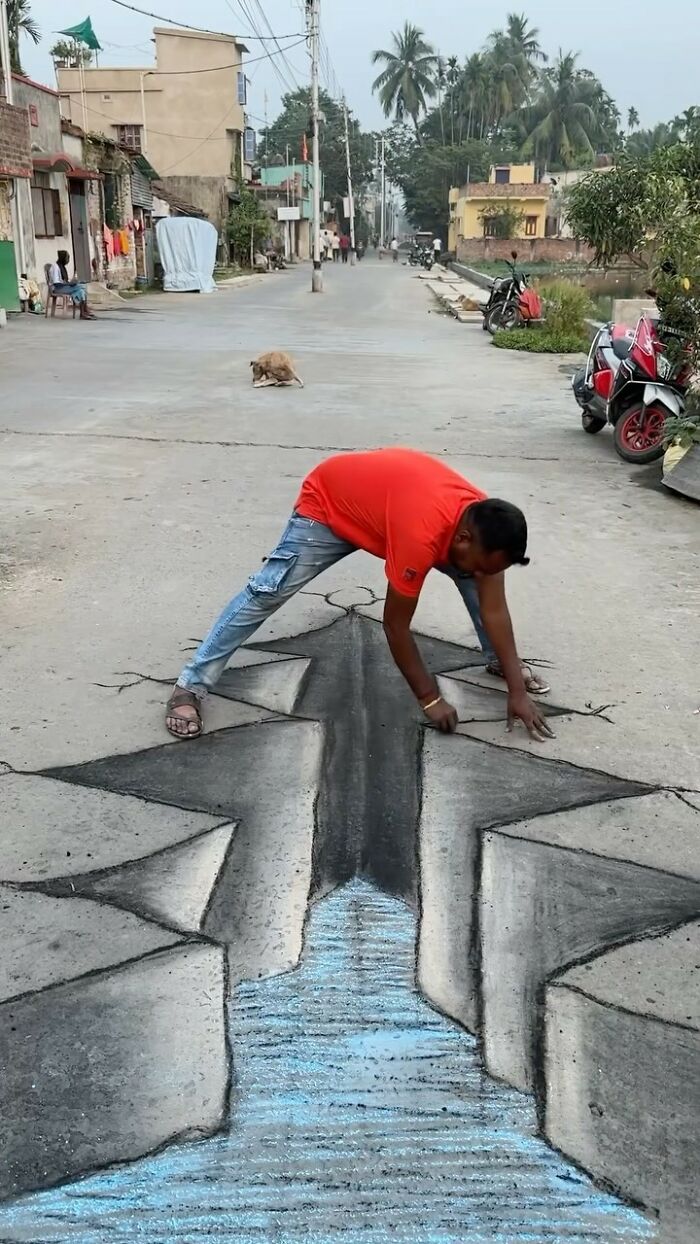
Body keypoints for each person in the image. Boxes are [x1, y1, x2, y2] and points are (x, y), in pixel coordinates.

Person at [165, 448, 553, 742]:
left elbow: (495, 610)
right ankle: (192, 683)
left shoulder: (487, 528)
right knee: (268, 591)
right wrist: (431, 699)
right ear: (463, 538)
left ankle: (500, 662)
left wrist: (517, 694)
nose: (486, 574)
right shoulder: (421, 536)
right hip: (331, 503)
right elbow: (396, 627)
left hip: (392, 505)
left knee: (476, 582)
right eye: (485, 564)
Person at [48, 251, 96, 319]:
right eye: (67, 258)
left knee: (81, 291)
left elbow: (64, 280)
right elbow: (57, 283)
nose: (68, 260)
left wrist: (71, 283)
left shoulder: (62, 266)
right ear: (62, 258)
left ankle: (82, 313)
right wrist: (69, 284)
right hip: (57, 289)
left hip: (63, 287)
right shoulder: (55, 267)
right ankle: (85, 310)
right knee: (82, 286)